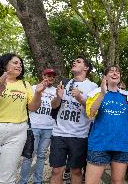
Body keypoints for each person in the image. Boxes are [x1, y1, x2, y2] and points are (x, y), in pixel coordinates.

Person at [0, 53, 47, 184]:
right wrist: (0, 89)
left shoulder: (25, 84)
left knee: (7, 179)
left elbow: (33, 107)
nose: (19, 65)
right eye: (15, 62)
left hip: (16, 134)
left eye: (20, 64)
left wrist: (37, 93)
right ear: (4, 64)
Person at [49, 55, 97, 184]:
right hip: (59, 133)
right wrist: (58, 97)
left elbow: (94, 110)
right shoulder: (64, 83)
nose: (74, 62)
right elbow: (53, 106)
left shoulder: (93, 86)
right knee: (56, 170)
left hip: (79, 135)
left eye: (79, 61)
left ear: (86, 67)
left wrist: (80, 98)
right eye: (74, 61)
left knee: (76, 171)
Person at [85, 65, 128, 184]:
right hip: (99, 143)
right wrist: (102, 93)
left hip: (122, 143)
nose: (115, 73)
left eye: (117, 72)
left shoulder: (126, 95)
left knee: (118, 181)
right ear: (105, 77)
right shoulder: (95, 93)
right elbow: (90, 114)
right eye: (111, 71)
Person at [19, 68, 57, 184]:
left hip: (49, 127)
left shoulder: (56, 91)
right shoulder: (34, 88)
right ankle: (23, 181)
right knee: (29, 155)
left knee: (41, 156)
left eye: (52, 76)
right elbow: (26, 105)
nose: (50, 78)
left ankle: (38, 181)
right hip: (34, 126)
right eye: (48, 75)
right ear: (43, 75)